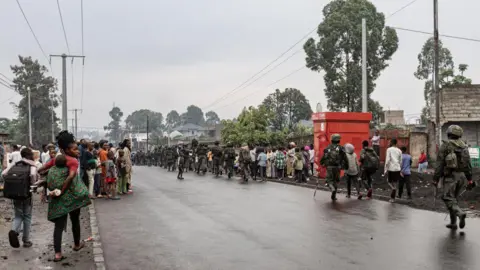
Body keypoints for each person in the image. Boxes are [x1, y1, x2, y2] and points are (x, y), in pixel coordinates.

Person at [40, 131, 90, 262]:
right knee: (75, 220)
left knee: (59, 225)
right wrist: (62, 190)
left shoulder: (56, 160)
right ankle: (77, 244)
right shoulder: (73, 161)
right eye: (74, 149)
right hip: (72, 196)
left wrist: (47, 174)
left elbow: (42, 169)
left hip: (57, 198)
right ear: (64, 149)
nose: (77, 151)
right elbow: (71, 176)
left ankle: (57, 254)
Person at [433, 125, 474, 230]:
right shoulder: (464, 146)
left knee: (447, 197)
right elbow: (468, 164)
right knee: (454, 199)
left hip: (451, 177)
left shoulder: (445, 146)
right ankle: (453, 223)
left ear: (449, 133)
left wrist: (436, 178)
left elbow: (439, 164)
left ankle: (460, 213)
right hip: (462, 177)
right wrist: (469, 179)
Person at [2, 148, 38, 248]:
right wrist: (33, 184)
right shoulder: (32, 165)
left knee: (18, 215)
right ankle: (26, 240)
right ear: (30, 155)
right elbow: (33, 175)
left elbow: (4, 174)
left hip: (14, 194)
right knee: (27, 216)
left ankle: (14, 230)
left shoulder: (15, 164)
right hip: (26, 195)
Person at [320, 134, 348, 201]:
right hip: (337, 167)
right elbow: (345, 158)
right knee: (336, 181)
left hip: (329, 167)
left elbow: (323, 158)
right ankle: (334, 196)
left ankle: (332, 188)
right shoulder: (341, 148)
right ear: (338, 141)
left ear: (332, 140)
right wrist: (346, 165)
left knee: (329, 180)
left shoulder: (327, 148)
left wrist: (322, 164)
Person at [384, 138, 402, 203]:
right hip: (397, 168)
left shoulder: (389, 149)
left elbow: (387, 160)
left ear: (391, 142)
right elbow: (400, 161)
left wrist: (385, 169)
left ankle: (393, 190)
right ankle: (393, 198)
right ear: (396, 143)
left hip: (391, 168)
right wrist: (400, 168)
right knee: (395, 183)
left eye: (390, 142)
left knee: (389, 182)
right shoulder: (399, 150)